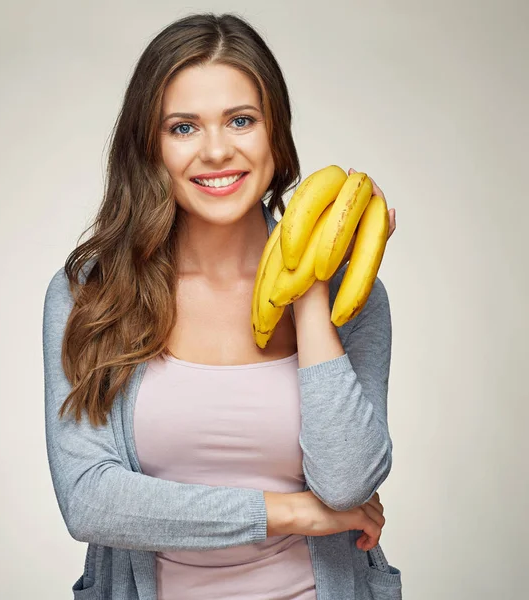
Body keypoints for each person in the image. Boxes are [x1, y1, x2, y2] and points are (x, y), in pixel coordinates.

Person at [42, 11, 401, 600]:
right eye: (183, 127)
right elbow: (90, 500)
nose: (215, 151)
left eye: (241, 120)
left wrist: (309, 295)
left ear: (275, 134)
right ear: (149, 145)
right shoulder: (93, 294)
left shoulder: (352, 298)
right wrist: (286, 512)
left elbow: (346, 484)